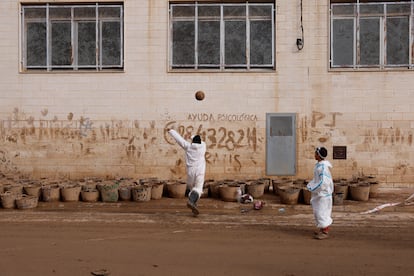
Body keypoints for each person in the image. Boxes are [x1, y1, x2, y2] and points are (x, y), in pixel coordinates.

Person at [168, 129, 206, 216]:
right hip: (200, 172)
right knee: (198, 189)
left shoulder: (188, 146)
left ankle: (193, 203)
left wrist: (171, 131)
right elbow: (199, 142)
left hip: (190, 172)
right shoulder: (203, 146)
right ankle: (192, 201)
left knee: (192, 188)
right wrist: (195, 139)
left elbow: (179, 139)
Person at [306, 147, 333, 240]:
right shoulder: (318, 166)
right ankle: (322, 229)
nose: (314, 155)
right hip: (319, 194)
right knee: (318, 212)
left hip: (323, 194)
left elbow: (324, 182)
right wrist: (311, 185)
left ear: (318, 155)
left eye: (315, 153)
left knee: (322, 213)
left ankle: (325, 231)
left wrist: (314, 188)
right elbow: (316, 180)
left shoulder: (323, 168)